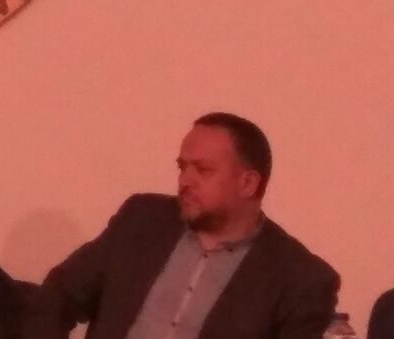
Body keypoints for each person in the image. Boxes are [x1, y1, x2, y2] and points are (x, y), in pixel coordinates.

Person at [27, 112, 338, 339]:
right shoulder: (142, 221)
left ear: (248, 183)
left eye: (202, 170)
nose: (185, 180)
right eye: (182, 167)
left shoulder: (300, 279)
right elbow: (60, 293)